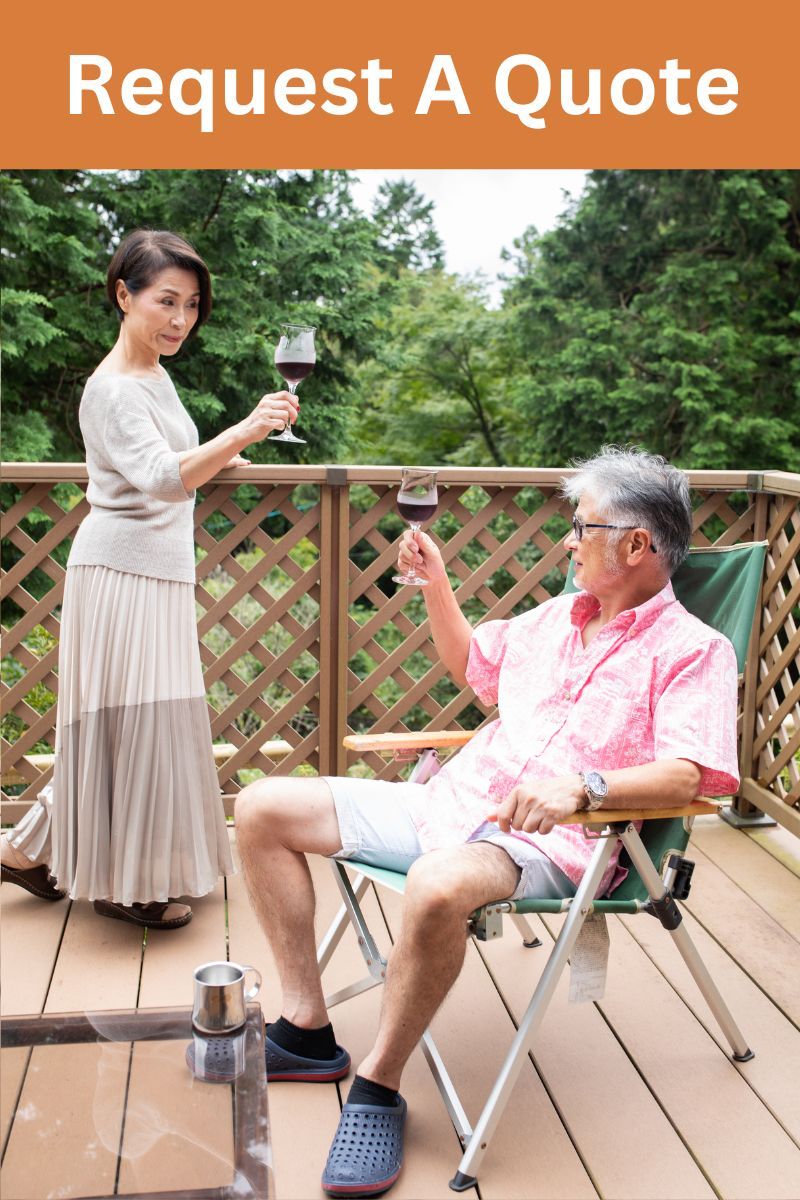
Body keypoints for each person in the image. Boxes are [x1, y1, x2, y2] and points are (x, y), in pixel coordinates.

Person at [234, 446, 741, 1197]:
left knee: (438, 886)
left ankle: (378, 1083)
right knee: (261, 806)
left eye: (582, 526)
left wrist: (583, 787)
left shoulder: (693, 651)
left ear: (635, 544)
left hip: (546, 838)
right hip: (448, 799)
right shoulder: (552, 619)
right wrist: (436, 583)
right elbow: (477, 667)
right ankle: (307, 1030)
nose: (569, 540)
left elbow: (693, 775)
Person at [1, 228, 300, 930]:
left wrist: (214, 463)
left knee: (137, 724)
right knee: (128, 727)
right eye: (166, 301)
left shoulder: (154, 377)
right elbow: (162, 478)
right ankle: (123, 886)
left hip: (155, 571)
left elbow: (168, 462)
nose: (180, 320)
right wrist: (244, 431)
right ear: (123, 295)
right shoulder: (110, 390)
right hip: (120, 572)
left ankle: (28, 852)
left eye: (192, 305)